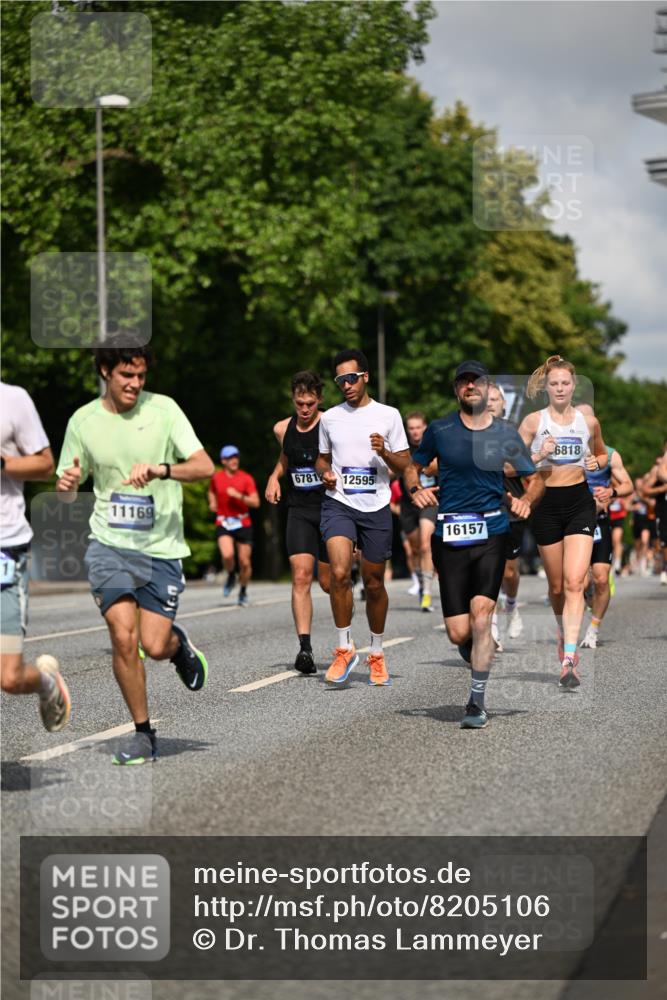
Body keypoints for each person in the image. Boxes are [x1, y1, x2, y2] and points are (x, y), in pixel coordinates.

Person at [55, 338, 214, 765]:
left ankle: (177, 647)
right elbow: (67, 488)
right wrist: (67, 487)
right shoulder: (82, 421)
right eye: (127, 375)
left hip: (161, 546)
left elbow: (204, 467)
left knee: (154, 643)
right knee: (123, 637)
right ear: (105, 372)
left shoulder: (163, 410)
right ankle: (143, 733)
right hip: (108, 544)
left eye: (141, 375)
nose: (135, 383)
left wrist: (163, 469)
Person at [405, 361, 541, 729]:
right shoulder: (440, 430)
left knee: (482, 617)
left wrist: (527, 500)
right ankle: (474, 649)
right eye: (463, 382)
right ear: (457, 391)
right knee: (458, 632)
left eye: (476, 382)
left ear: (486, 388)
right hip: (449, 536)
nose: (470, 387)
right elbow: (410, 465)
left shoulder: (504, 433)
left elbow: (535, 478)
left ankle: (476, 702)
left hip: (492, 533)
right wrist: (415, 489)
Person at [316, 349, 410, 686]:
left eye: (351, 378)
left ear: (365, 377)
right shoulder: (329, 418)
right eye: (340, 380)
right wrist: (325, 473)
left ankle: (376, 652)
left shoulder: (389, 415)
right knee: (339, 574)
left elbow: (404, 465)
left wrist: (383, 451)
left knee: (373, 584)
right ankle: (343, 649)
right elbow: (321, 459)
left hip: (376, 506)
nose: (346, 385)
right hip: (338, 502)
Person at [518, 355, 608, 690]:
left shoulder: (589, 421)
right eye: (554, 383)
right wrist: (538, 455)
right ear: (547, 387)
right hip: (546, 505)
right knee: (557, 588)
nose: (559, 388)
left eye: (565, 383)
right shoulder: (532, 422)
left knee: (575, 583)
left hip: (580, 503)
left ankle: (569, 658)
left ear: (574, 385)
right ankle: (563, 632)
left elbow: (601, 455)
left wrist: (593, 460)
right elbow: (511, 463)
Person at [1, 382, 71, 733]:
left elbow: (45, 464)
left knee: (9, 678)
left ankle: (46, 682)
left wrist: (3, 460)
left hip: (6, 551)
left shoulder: (13, 399)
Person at [265, 370, 330, 673]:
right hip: (300, 510)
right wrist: (274, 477)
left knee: (332, 583)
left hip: (332, 510)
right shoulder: (282, 428)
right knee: (302, 576)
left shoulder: (332, 425)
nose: (304, 410)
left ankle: (344, 634)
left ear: (319, 400)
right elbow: (286, 456)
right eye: (299, 403)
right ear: (293, 399)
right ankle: (305, 649)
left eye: (310, 404)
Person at [580, 445, 633, 648]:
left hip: (599, 520)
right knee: (581, 583)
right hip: (574, 520)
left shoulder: (610, 454)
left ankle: (593, 630)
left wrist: (612, 491)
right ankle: (587, 596)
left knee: (601, 578)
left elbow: (628, 485)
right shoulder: (565, 449)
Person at [486, 383, 525, 643]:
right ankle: (491, 626)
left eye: (495, 399)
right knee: (489, 569)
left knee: (509, 572)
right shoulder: (470, 431)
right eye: (485, 399)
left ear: (503, 404)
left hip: (511, 506)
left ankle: (511, 605)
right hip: (483, 506)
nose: (489, 403)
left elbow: (519, 467)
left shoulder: (512, 432)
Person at [208, 446, 260, 607]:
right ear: (223, 461)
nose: (234, 460)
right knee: (228, 555)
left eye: (236, 457)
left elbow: (256, 502)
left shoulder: (246, 478)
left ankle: (243, 591)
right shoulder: (217, 478)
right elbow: (211, 491)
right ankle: (231, 574)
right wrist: (212, 501)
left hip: (243, 522)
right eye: (230, 458)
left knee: (244, 562)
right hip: (224, 521)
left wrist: (238, 495)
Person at [644, 444, 667, 585]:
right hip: (663, 507)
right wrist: (661, 489)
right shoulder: (658, 470)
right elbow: (645, 490)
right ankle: (665, 568)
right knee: (663, 541)